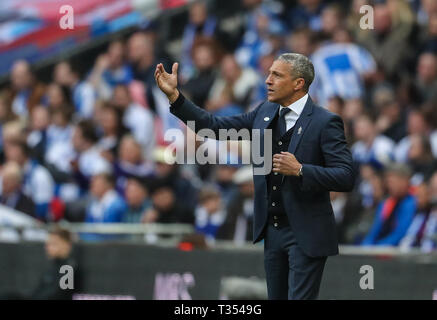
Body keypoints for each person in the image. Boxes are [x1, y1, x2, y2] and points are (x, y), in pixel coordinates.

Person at [155, 52, 355, 299]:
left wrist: (301, 170)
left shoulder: (326, 122)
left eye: (277, 75)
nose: (268, 80)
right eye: (269, 73)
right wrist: (175, 97)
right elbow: (213, 127)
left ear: (298, 83)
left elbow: (345, 176)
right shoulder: (264, 112)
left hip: (306, 231)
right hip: (272, 231)